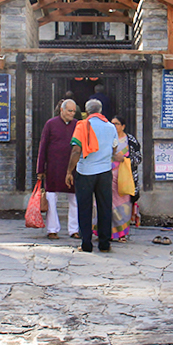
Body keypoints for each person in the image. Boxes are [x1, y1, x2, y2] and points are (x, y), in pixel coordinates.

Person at [65, 98, 122, 253]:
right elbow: (114, 149)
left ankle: (86, 244)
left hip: (85, 172)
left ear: (87, 111)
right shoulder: (111, 127)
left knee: (84, 208)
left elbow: (76, 150)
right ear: (101, 111)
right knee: (104, 207)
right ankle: (104, 243)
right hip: (104, 172)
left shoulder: (82, 125)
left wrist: (69, 171)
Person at [36, 99, 80, 240]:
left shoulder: (78, 125)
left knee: (74, 199)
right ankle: (52, 229)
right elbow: (43, 147)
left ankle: (73, 229)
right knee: (51, 198)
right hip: (54, 167)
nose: (72, 114)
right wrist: (40, 168)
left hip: (72, 167)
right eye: (69, 111)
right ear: (62, 110)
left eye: (74, 111)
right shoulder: (51, 124)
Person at [109, 113, 138, 242]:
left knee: (122, 206)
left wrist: (125, 159)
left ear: (123, 126)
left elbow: (138, 158)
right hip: (108, 177)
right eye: (112, 123)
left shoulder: (130, 140)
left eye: (117, 124)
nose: (114, 126)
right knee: (106, 205)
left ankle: (122, 234)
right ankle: (107, 233)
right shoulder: (107, 138)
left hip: (123, 178)